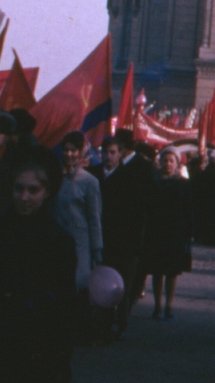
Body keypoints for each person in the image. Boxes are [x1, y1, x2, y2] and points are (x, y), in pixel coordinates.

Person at [0, 146, 77, 383]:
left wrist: (59, 356)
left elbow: (65, 303)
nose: (24, 197)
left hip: (35, 346)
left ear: (46, 192)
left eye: (33, 190)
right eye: (19, 188)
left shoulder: (59, 240)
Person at [89, 133, 153, 338]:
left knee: (121, 284)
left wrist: (135, 241)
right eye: (105, 152)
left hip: (123, 240)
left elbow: (139, 212)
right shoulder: (93, 175)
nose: (108, 156)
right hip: (100, 237)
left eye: (112, 152)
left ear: (120, 154)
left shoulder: (131, 177)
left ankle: (120, 322)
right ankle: (101, 324)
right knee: (100, 283)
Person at [54, 131, 103, 342]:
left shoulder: (90, 181)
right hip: (58, 239)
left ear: (81, 152)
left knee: (79, 285)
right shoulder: (57, 177)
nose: (69, 154)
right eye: (66, 150)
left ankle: (83, 332)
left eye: (74, 150)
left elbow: (94, 218)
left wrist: (97, 249)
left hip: (80, 240)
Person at [143, 147, 194, 320]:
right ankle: (157, 305)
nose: (168, 164)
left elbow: (188, 209)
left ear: (177, 163)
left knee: (172, 272)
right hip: (156, 231)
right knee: (157, 271)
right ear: (160, 162)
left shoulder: (184, 184)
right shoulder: (153, 182)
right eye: (165, 160)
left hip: (175, 233)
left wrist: (188, 232)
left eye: (171, 161)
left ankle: (169, 305)